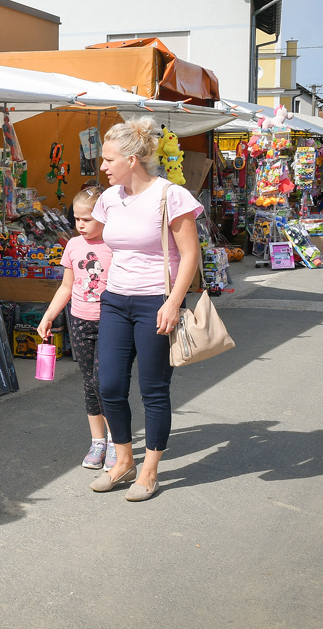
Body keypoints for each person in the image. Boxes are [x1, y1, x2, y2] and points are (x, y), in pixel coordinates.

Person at [88, 118, 202, 502]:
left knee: (154, 390)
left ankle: (149, 470)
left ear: (132, 159)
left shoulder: (170, 195)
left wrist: (173, 302)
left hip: (156, 301)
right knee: (110, 386)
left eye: (108, 160)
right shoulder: (108, 199)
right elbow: (103, 244)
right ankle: (123, 461)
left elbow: (190, 255)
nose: (102, 167)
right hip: (116, 300)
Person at [37, 185, 114, 470]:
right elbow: (66, 286)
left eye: (88, 219)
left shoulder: (115, 246)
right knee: (89, 383)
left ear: (105, 217)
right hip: (79, 320)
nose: (81, 225)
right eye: (77, 219)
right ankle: (98, 442)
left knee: (104, 383)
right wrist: (48, 315)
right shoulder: (73, 245)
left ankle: (117, 442)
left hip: (111, 322)